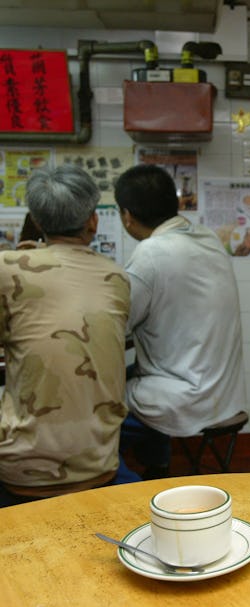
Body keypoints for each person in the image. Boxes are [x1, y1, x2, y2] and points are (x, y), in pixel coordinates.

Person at [0, 165, 138, 507]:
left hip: (23, 468)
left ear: (37, 219)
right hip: (99, 460)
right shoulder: (116, 277)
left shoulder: (7, 268)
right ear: (93, 222)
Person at [114, 164, 245, 478]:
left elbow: (118, 323)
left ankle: (126, 488)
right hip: (224, 393)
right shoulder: (207, 239)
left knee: (95, 407)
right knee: (134, 372)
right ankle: (157, 466)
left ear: (127, 215)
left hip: (186, 398)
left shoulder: (150, 253)